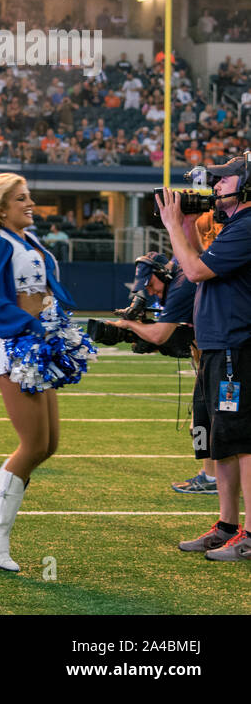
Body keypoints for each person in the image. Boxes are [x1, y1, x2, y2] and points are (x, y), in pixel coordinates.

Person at [0, 173, 94, 572]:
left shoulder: (27, 241)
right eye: (21, 199)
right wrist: (36, 328)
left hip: (37, 345)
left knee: (48, 444)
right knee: (33, 445)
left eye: (29, 197)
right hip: (16, 348)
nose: (30, 204)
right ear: (1, 208)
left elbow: (48, 289)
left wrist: (58, 322)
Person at [160, 155, 251, 560]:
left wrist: (170, 226)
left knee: (244, 441)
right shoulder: (234, 225)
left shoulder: (248, 225)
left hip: (237, 346)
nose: (214, 186)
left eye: (223, 179)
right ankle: (228, 525)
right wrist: (182, 228)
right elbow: (198, 262)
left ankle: (249, 534)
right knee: (222, 442)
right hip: (218, 343)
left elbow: (195, 272)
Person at [104, 249, 207, 493]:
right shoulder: (178, 275)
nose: (149, 291)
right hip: (210, 356)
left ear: (163, 274)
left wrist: (130, 325)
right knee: (203, 421)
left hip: (225, 355)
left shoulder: (182, 284)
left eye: (150, 284)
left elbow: (161, 335)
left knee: (209, 422)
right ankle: (209, 476)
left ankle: (212, 479)